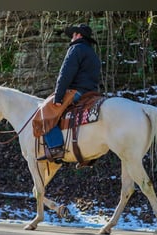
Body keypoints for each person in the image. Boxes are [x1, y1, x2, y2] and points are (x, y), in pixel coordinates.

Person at [37, 23, 101, 162]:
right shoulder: (93, 54)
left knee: (44, 112)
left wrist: (58, 97)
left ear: (78, 35)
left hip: (76, 92)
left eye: (73, 35)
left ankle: (55, 148)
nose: (71, 37)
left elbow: (65, 74)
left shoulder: (75, 49)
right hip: (92, 93)